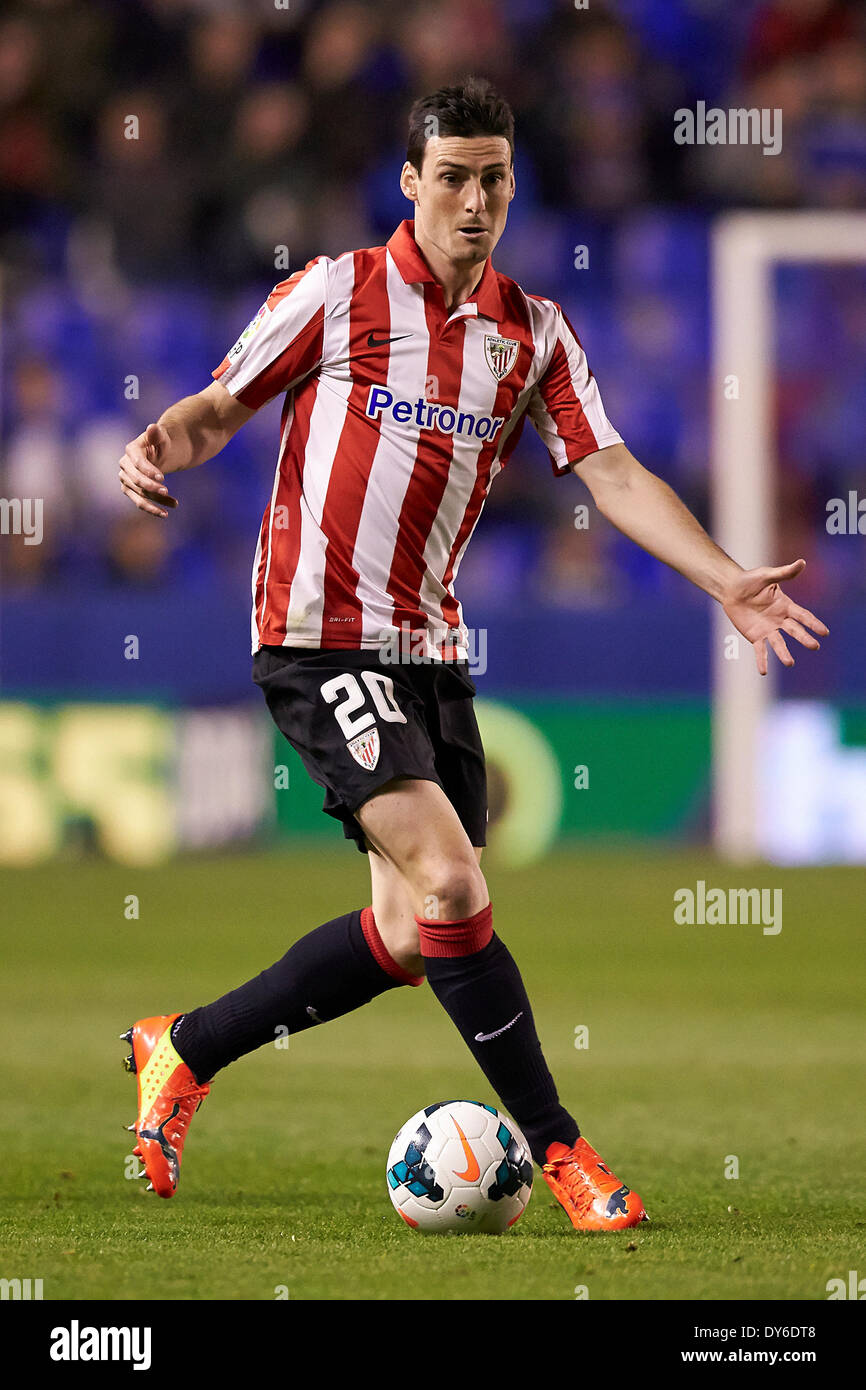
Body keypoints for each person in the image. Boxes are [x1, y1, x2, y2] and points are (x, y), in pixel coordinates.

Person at [117, 77, 827, 1232]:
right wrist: (158, 446)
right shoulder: (335, 293)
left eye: (493, 177)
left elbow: (610, 472)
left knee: (406, 934)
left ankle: (182, 1045)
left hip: (432, 654)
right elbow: (215, 407)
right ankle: (562, 1154)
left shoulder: (531, 333)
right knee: (453, 882)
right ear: (410, 182)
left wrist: (721, 578)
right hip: (315, 635)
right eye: (451, 176)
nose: (474, 199)